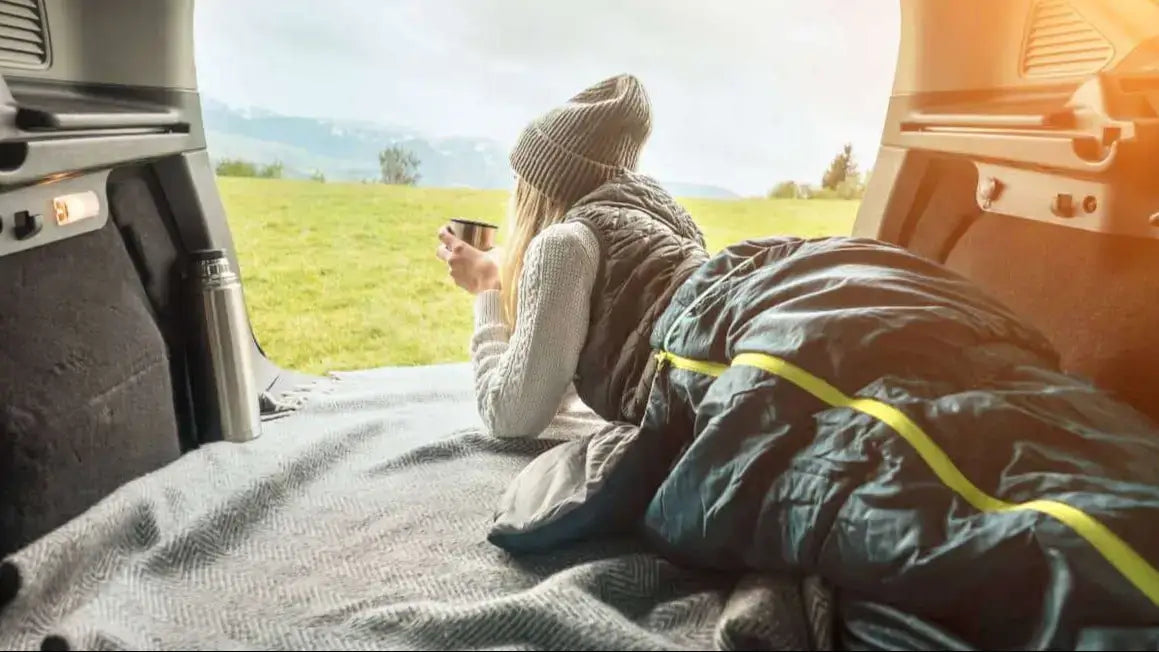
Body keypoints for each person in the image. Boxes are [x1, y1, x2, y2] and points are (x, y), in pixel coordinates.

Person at [436, 73, 708, 438]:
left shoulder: (564, 245)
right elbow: (552, 380)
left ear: (541, 188)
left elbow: (511, 416)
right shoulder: (673, 233)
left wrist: (489, 288)